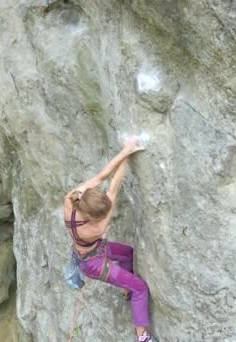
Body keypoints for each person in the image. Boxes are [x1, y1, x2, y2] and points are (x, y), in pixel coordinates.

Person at [63, 138, 158, 342]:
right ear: (94, 218)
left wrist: (126, 150)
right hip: (94, 264)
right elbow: (113, 186)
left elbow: (102, 176)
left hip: (92, 250)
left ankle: (125, 288)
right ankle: (142, 337)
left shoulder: (73, 199)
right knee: (140, 287)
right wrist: (128, 153)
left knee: (129, 254)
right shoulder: (96, 227)